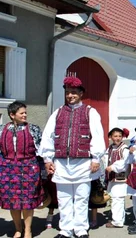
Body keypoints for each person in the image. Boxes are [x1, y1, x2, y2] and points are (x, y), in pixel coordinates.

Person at [39, 76, 106, 238]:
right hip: (61, 163)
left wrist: (96, 158)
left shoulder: (90, 112)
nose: (70, 95)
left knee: (82, 197)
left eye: (74, 92)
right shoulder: (58, 112)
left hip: (83, 163)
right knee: (64, 198)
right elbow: (48, 136)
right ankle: (66, 229)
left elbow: (97, 135)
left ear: (81, 94)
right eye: (68, 92)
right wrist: (47, 159)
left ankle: (81, 229)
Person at [0, 101, 43, 238]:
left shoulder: (33, 129)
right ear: (12, 115)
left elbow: (41, 150)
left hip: (28, 169)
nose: (25, 115)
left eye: (25, 112)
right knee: (13, 201)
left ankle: (28, 230)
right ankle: (18, 229)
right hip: (7, 170)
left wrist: (43, 170)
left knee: (28, 201)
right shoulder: (1, 130)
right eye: (22, 113)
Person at [105, 128, 130, 228]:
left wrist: (113, 167)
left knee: (118, 199)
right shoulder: (111, 147)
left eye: (119, 136)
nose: (118, 138)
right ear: (110, 137)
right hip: (112, 178)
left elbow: (125, 163)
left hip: (120, 178)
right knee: (115, 199)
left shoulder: (124, 148)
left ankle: (117, 221)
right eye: (115, 136)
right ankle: (118, 218)